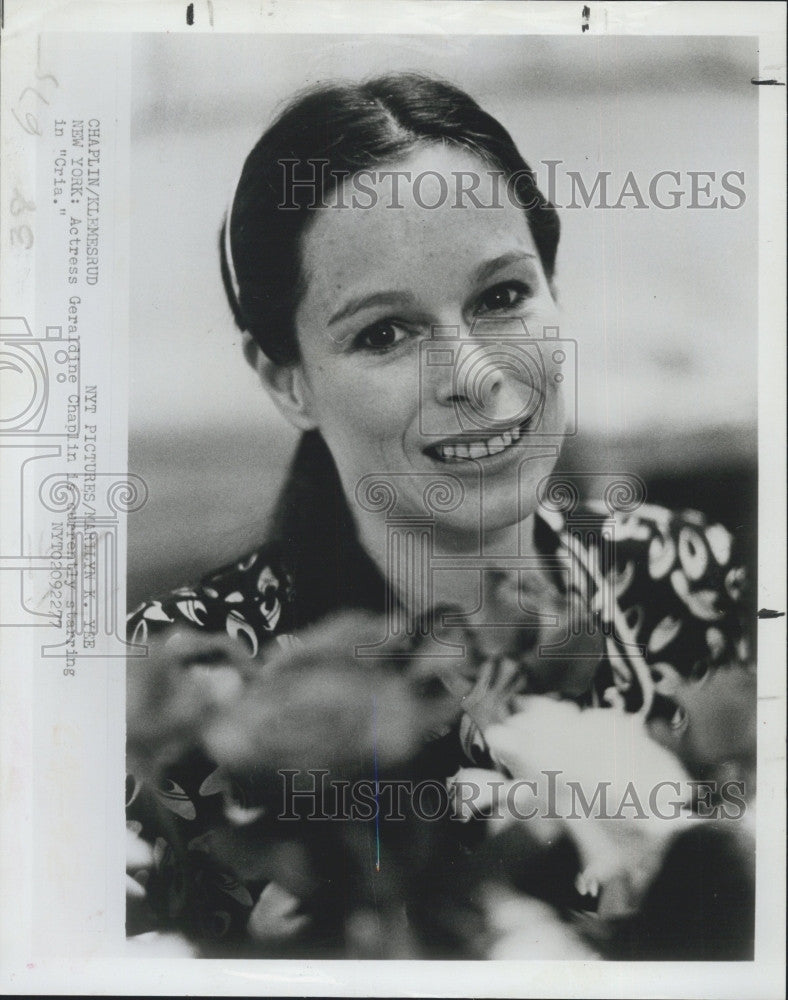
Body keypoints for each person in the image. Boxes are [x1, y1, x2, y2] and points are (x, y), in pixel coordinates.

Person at [126, 73, 755, 958]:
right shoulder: (189, 691)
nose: (473, 374)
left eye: (502, 297)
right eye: (384, 333)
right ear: (285, 379)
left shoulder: (701, 579)